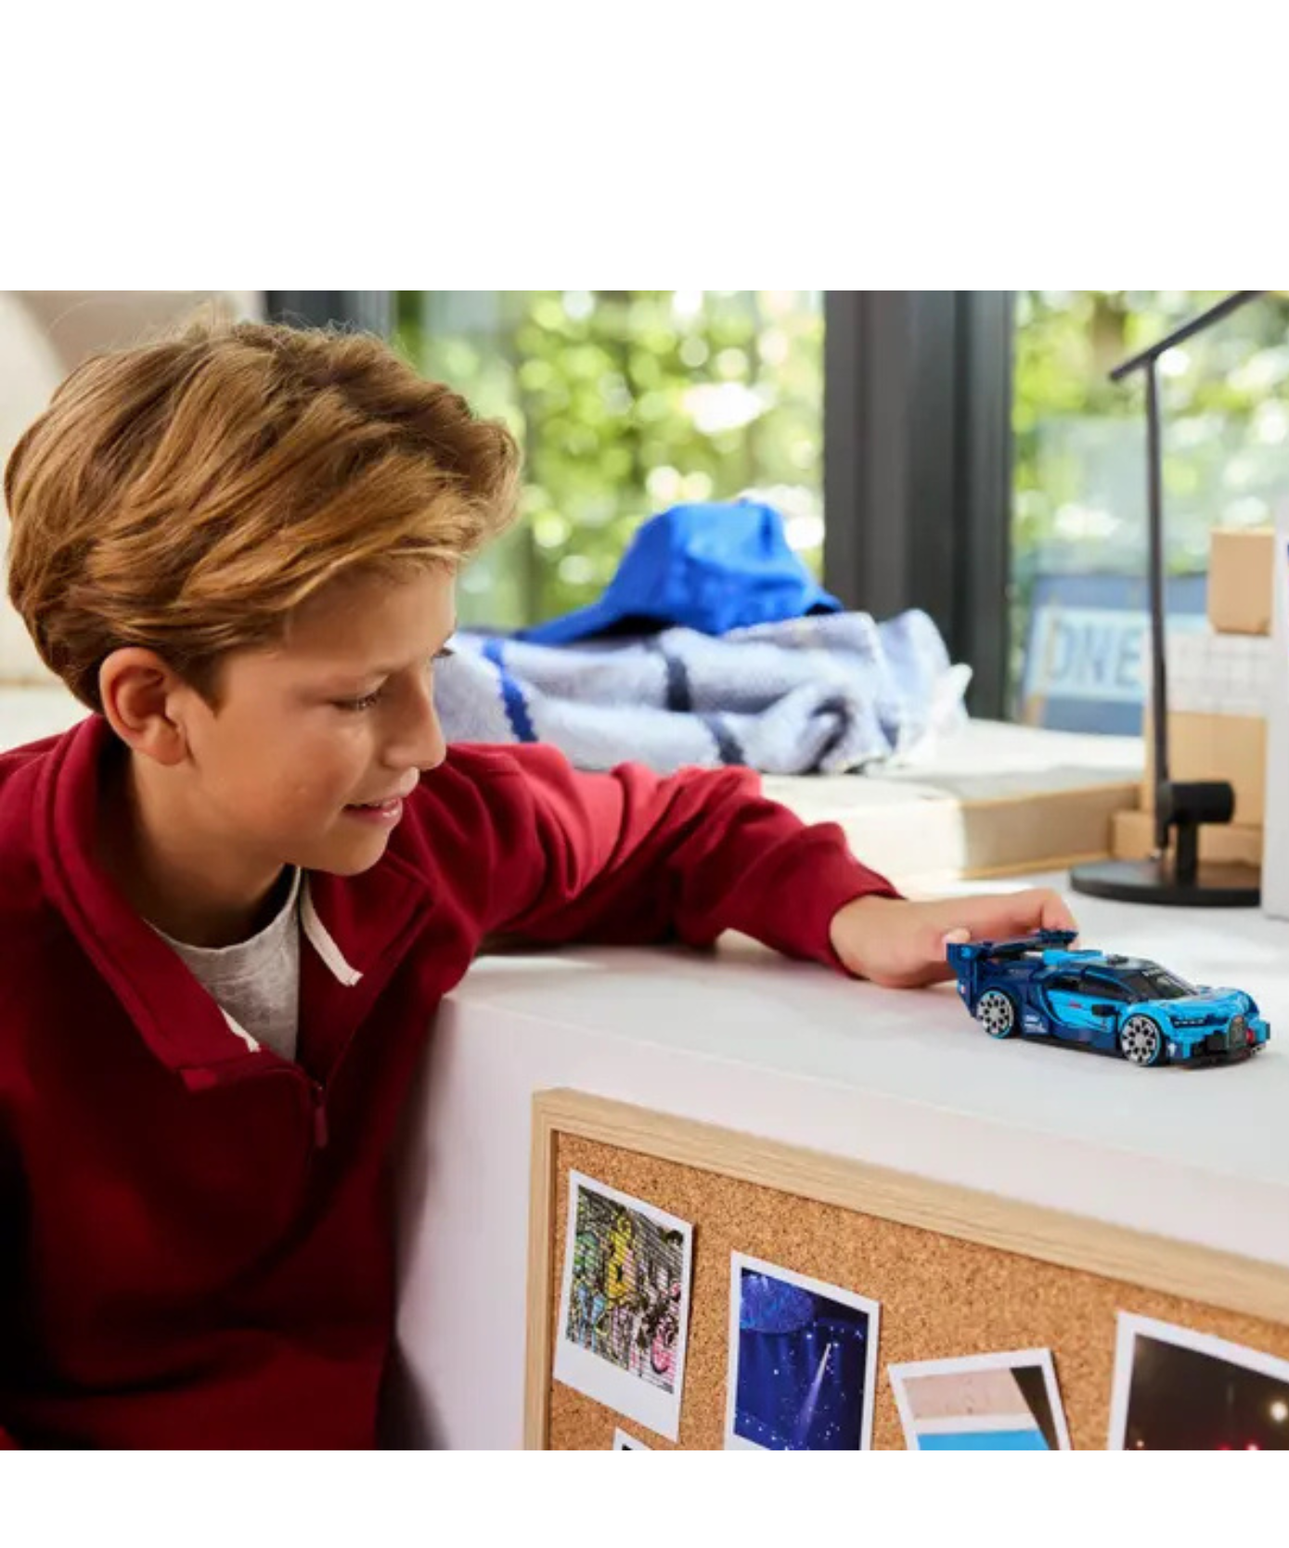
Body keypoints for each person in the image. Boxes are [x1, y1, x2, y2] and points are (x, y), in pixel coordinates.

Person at [0, 312, 1074, 1448]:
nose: (425, 741)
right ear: (151, 705)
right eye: (359, 697)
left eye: (433, 667)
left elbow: (678, 827)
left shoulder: (426, 837)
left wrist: (856, 914)